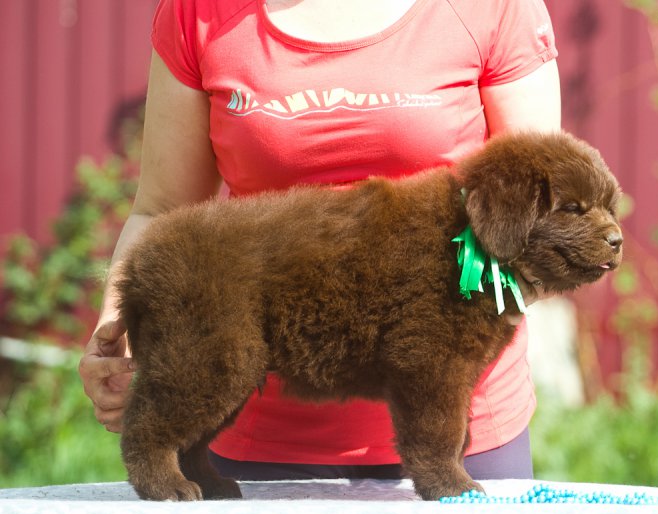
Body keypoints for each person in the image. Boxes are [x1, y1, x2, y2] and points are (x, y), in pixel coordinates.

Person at [78, 0, 561, 482]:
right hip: (260, 430)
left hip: (460, 429)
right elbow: (161, 210)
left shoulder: (492, 7)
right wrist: (119, 327)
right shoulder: (199, 12)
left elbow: (544, 204)